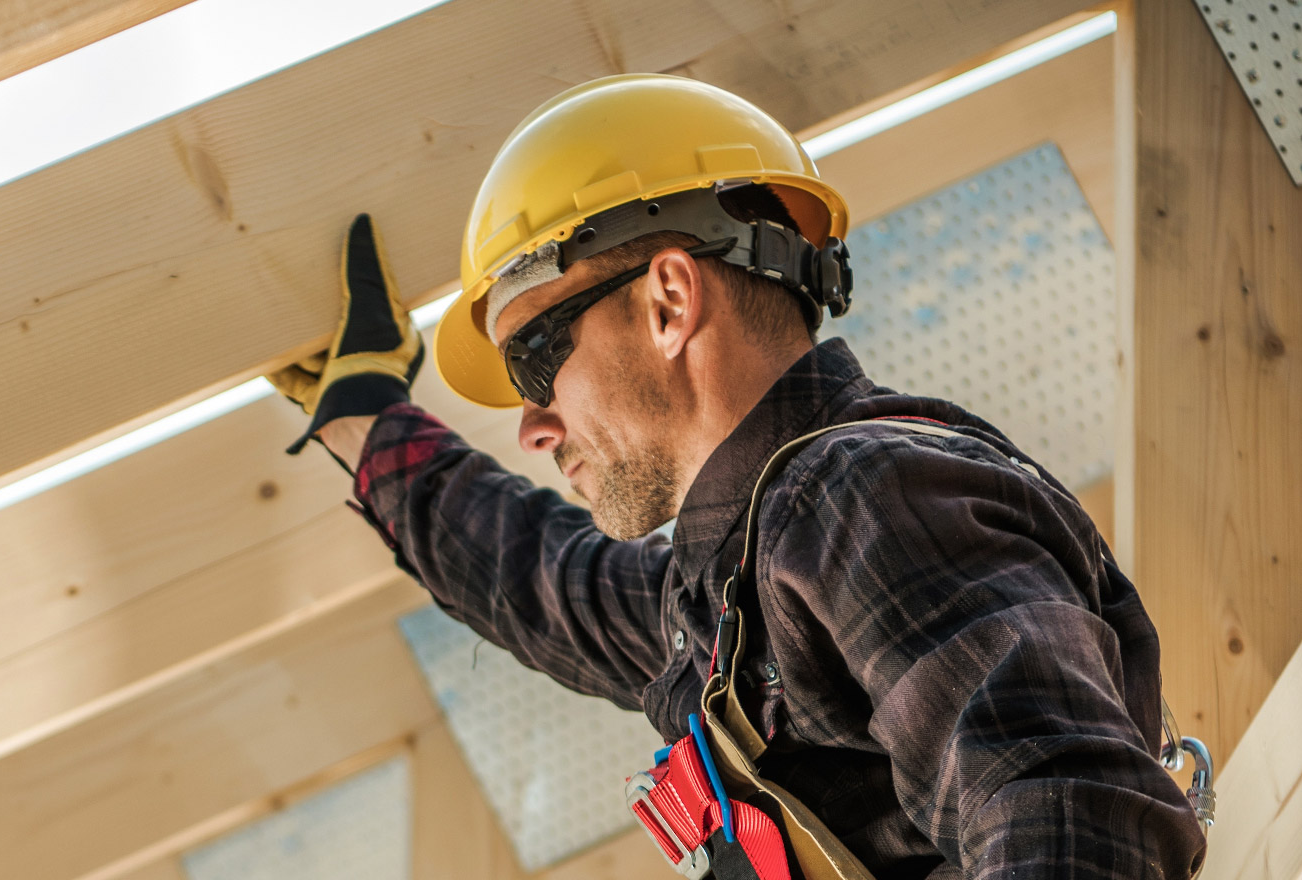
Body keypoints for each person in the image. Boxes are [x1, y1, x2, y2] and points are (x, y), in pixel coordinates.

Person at [267, 74, 1207, 880]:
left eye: (535, 361)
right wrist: (364, 420)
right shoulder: (737, 582)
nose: (533, 425)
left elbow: (1067, 809)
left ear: (670, 301)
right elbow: (543, 583)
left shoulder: (862, 497)